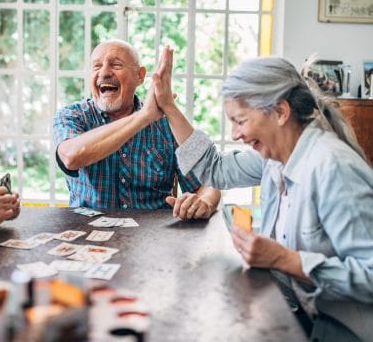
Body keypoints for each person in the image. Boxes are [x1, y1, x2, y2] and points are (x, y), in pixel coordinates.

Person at [151, 49, 373, 342]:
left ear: (280, 112)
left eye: (240, 121)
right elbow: (214, 169)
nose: (235, 134)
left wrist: (284, 259)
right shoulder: (276, 157)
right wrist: (168, 106)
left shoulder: (333, 167)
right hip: (297, 313)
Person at [53, 39, 220, 219]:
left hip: (154, 238)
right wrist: (143, 117)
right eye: (97, 66)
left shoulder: (168, 123)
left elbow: (208, 182)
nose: (104, 72)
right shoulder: (72, 115)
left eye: (116, 65)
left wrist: (204, 202)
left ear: (140, 76)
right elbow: (71, 157)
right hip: (87, 235)